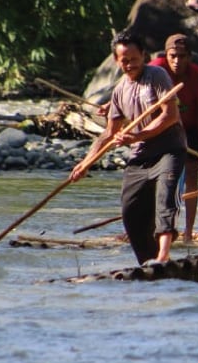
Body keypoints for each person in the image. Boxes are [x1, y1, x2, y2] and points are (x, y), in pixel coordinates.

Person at [70, 32, 186, 266]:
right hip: (140, 156)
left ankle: (163, 256)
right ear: (116, 61)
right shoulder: (120, 90)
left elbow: (170, 115)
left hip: (168, 150)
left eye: (134, 59)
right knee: (130, 211)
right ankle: (147, 261)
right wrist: (85, 163)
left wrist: (137, 135)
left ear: (143, 56)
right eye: (124, 60)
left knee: (166, 201)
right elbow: (109, 134)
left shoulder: (157, 76)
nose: (130, 65)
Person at [149, 34, 198, 243]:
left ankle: (188, 233)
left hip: (189, 127)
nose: (177, 61)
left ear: (190, 57)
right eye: (173, 56)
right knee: (159, 176)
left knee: (191, 175)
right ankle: (156, 228)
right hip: (161, 125)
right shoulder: (155, 69)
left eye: (182, 57)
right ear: (166, 55)